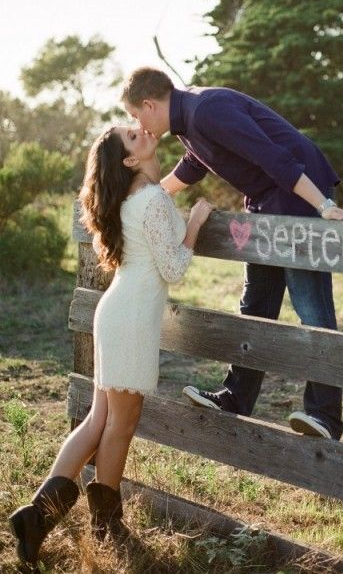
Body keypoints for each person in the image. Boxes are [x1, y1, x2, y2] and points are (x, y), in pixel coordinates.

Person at [8, 125, 212, 569]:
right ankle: (99, 523)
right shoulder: (152, 199)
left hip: (117, 311)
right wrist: (195, 223)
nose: (142, 132)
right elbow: (174, 268)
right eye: (133, 137)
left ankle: (39, 517)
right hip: (131, 315)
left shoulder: (138, 196)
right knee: (121, 421)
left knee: (102, 418)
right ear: (129, 161)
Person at [121, 67, 343, 442]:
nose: (138, 125)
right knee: (256, 303)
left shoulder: (207, 109)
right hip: (265, 199)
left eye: (135, 117)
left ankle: (325, 417)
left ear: (148, 105)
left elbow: (271, 156)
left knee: (311, 306)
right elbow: (195, 165)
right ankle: (236, 397)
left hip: (297, 192)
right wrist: (149, 195)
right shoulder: (188, 122)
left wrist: (323, 205)